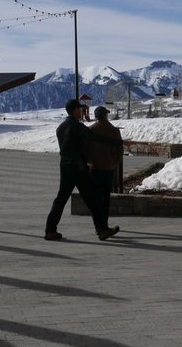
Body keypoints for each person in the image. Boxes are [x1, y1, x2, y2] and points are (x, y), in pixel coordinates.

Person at [44, 99, 123, 241]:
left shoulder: (60, 128)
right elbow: (96, 138)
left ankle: (50, 230)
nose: (82, 112)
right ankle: (102, 230)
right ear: (75, 110)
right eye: (80, 109)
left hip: (65, 166)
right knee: (93, 198)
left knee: (61, 199)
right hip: (78, 168)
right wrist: (119, 143)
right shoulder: (77, 127)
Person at [86, 105, 123, 226]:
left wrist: (89, 162)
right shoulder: (114, 131)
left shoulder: (90, 130)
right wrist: (114, 162)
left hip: (94, 168)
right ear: (106, 116)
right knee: (106, 197)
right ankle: (104, 222)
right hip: (108, 168)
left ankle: (98, 222)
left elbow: (85, 150)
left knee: (95, 197)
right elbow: (119, 150)